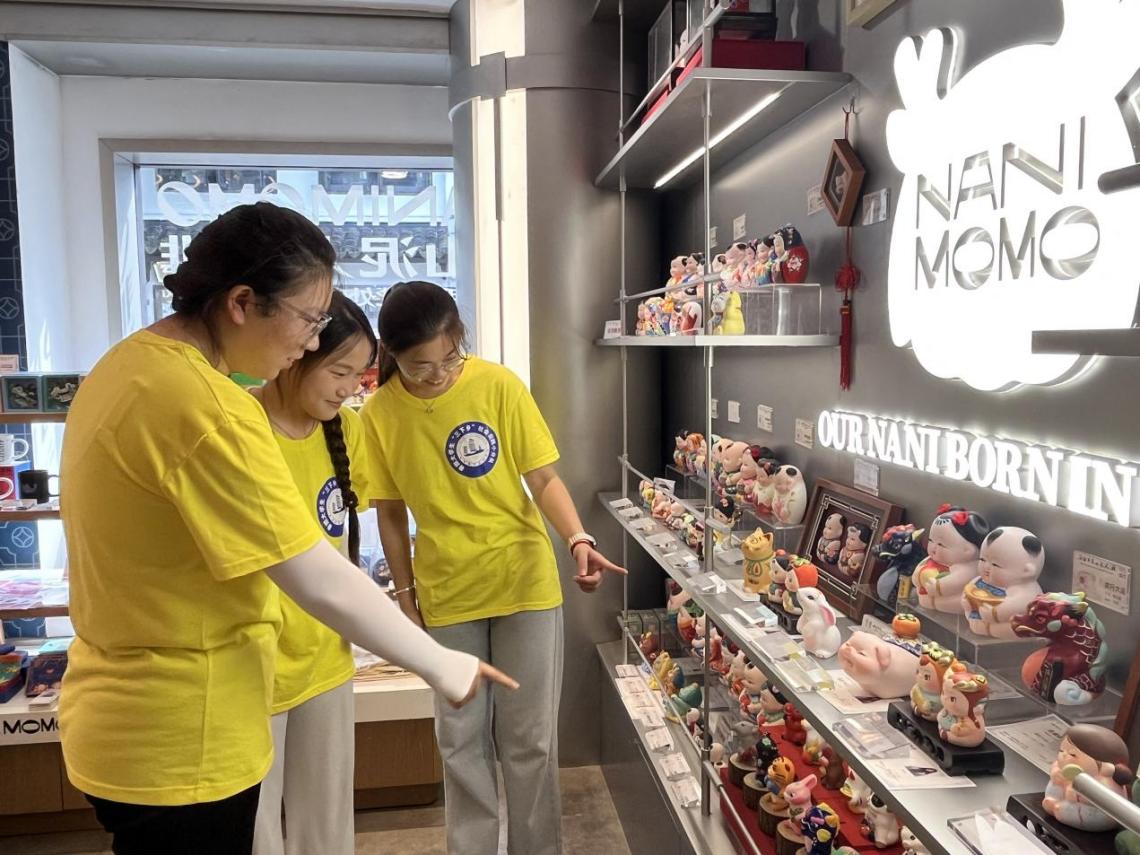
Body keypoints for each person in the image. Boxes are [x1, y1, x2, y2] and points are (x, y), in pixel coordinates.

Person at [59, 204, 514, 855]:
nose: (310, 340)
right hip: (185, 734)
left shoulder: (127, 365)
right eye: (309, 319)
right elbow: (315, 575)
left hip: (120, 724)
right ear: (242, 302)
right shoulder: (206, 406)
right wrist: (441, 662)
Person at [361, 280, 625, 855]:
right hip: (447, 591)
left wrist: (577, 538)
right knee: (460, 743)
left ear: (460, 339)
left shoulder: (498, 384)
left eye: (448, 359)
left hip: (523, 582)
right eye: (419, 366)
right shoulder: (378, 414)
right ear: (390, 355)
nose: (437, 375)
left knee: (530, 741)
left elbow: (543, 478)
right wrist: (405, 597)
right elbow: (389, 512)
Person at [250, 290, 376, 855]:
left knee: (326, 828)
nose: (350, 388)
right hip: (254, 665)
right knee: (256, 830)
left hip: (326, 658)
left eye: (359, 375)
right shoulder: (241, 425)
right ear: (296, 354)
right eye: (339, 372)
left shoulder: (347, 430)